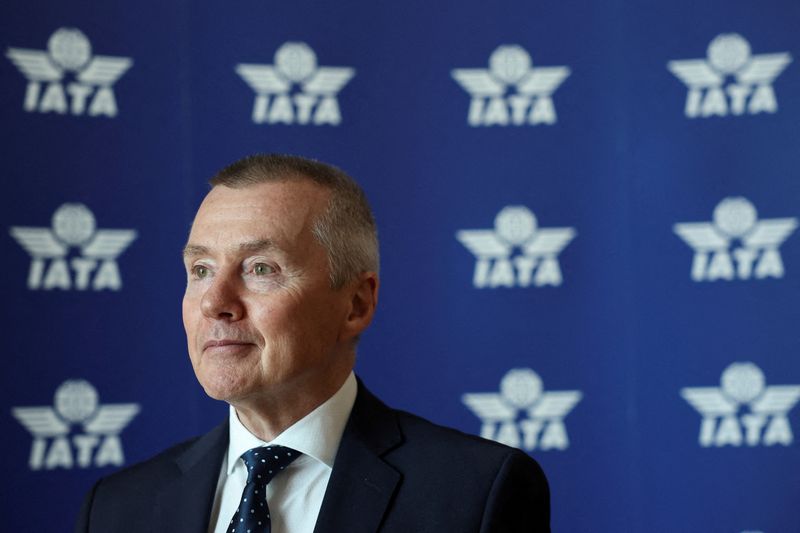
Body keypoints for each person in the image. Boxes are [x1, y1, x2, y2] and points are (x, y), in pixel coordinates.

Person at [75, 154, 550, 532]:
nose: (214, 303)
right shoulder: (118, 509)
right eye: (200, 271)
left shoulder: (474, 494)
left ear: (356, 305)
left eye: (260, 268)